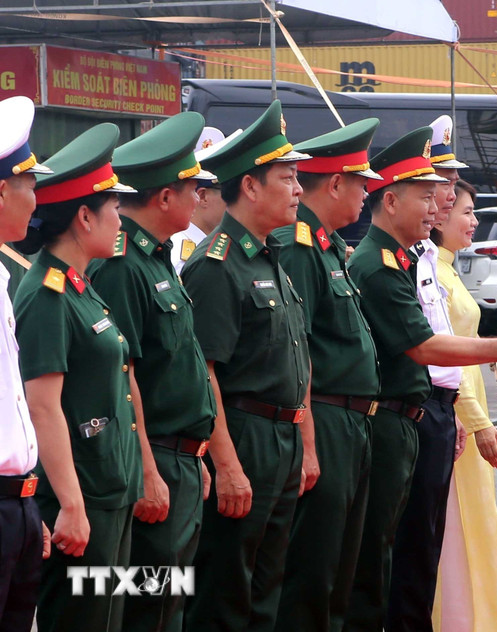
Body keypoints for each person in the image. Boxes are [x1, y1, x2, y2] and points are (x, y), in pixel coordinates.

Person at [343, 125, 497, 632]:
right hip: (397, 421)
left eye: (441, 194)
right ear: (390, 201)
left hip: (428, 412)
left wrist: (451, 400)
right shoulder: (377, 265)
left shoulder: (409, 259)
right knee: (401, 563)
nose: (436, 206)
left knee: (421, 558)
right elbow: (425, 346)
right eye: (427, 195)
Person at [180, 100, 313, 632]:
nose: (299, 189)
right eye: (288, 177)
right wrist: (228, 464)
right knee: (227, 588)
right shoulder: (216, 265)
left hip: (281, 437)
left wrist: (302, 442)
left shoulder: (269, 255)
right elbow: (205, 372)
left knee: (266, 588)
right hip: (243, 434)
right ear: (251, 187)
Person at [87, 111, 219, 632]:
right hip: (155, 460)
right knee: (148, 606)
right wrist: (147, 469)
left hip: (179, 459)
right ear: (165, 197)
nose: (199, 198)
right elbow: (124, 376)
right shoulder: (122, 265)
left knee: (170, 605)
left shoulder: (158, 258)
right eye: (193, 187)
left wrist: (197, 453)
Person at [13, 122, 143, 632]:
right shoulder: (46, 294)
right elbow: (42, 406)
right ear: (84, 217)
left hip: (110, 490)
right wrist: (70, 504)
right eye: (114, 211)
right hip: (82, 498)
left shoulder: (79, 285)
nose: (121, 223)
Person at [273, 118, 384, 632]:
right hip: (325, 419)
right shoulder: (298, 248)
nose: (367, 195)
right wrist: (309, 443)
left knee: (344, 569)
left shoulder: (329, 247)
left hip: (352, 423)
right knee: (313, 573)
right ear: (336, 183)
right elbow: (301, 352)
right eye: (361, 184)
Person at [431, 179, 497, 632]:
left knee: (475, 520)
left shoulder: (445, 269)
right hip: (456, 413)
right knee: (461, 525)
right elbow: (445, 358)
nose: (472, 221)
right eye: (464, 211)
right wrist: (478, 421)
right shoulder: (431, 271)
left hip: (464, 409)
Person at [387, 114, 469, 632]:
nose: (444, 195)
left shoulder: (425, 253)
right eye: (437, 186)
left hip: (439, 407)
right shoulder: (394, 257)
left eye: (448, 186)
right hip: (413, 409)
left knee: (427, 547)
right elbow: (424, 344)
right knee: (411, 549)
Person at [0, 95, 51, 632]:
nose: (35, 201)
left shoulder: (3, 278)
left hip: (16, 506)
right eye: (29, 186)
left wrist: (26, 503)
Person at [169, 127, 236, 274]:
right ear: (203, 197)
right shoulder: (179, 255)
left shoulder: (218, 244)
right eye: (229, 193)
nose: (236, 200)